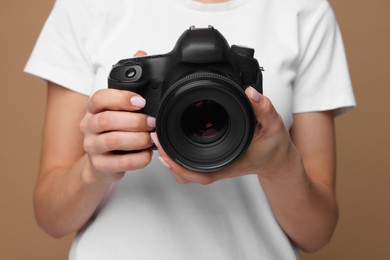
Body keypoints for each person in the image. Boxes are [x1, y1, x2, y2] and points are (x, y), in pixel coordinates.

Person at [25, 0, 356, 259]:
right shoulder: (86, 5)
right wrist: (95, 169)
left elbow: (317, 233)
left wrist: (279, 165)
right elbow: (52, 218)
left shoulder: (304, 10)